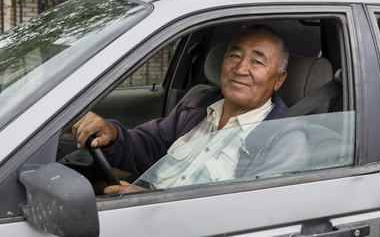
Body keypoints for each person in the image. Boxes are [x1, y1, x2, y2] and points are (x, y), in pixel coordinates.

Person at [72, 24, 310, 194]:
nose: (240, 68)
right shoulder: (199, 104)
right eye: (234, 55)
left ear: (279, 80)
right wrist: (113, 134)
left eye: (257, 61)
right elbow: (150, 144)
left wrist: (150, 202)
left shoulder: (285, 136)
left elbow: (255, 215)